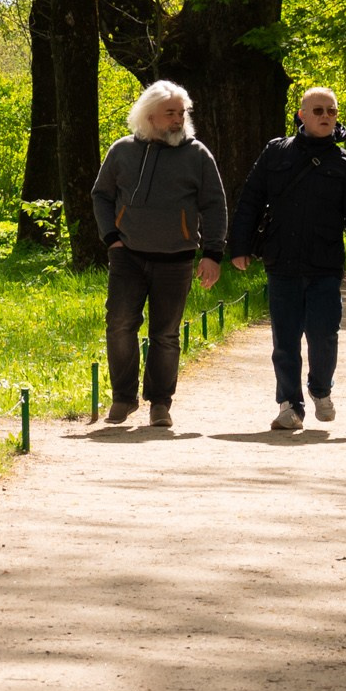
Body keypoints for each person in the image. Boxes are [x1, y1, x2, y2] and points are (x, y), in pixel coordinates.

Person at [229, 87, 346, 432]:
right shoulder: (276, 153)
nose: (326, 116)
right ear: (301, 115)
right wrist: (239, 246)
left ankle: (320, 389)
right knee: (285, 339)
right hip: (282, 262)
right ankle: (289, 404)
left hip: (325, 265)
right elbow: (250, 200)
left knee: (324, 335)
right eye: (318, 110)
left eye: (332, 111)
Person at [90, 80, 227, 429]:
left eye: (182, 113)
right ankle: (123, 397)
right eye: (170, 113)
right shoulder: (121, 151)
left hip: (176, 258)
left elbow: (215, 205)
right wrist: (111, 237)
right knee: (120, 325)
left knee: (165, 335)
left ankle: (160, 404)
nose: (178, 119)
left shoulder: (197, 155)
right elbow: (101, 195)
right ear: (150, 116)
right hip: (128, 255)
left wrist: (212, 253)